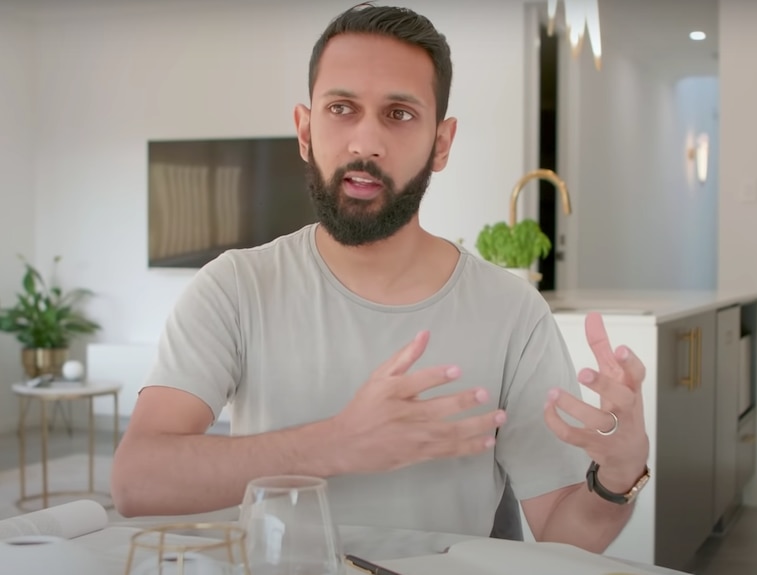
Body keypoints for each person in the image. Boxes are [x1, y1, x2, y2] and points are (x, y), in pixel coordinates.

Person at [111, 2, 650, 556]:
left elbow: (565, 535)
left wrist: (620, 475)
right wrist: (337, 443)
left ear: (441, 143)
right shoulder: (234, 288)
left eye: (399, 114)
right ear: (305, 128)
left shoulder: (512, 311)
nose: (365, 142)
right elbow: (137, 481)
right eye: (342, 107)